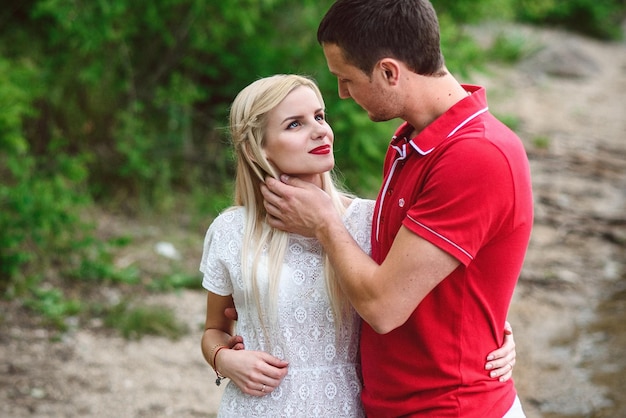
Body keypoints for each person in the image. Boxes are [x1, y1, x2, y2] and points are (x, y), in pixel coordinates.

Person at [260, 1, 533, 417]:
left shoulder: (477, 155)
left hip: (452, 408)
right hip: (396, 404)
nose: (342, 94)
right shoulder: (414, 142)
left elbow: (385, 307)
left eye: (346, 78)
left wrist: (324, 223)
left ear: (389, 72)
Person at [200, 74, 518, 417]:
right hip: (257, 407)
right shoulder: (231, 231)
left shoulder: (370, 221)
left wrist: (497, 332)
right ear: (256, 147)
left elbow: (427, 295)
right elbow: (215, 329)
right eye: (295, 124)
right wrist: (224, 359)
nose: (320, 130)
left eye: (320, 117)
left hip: (350, 407)